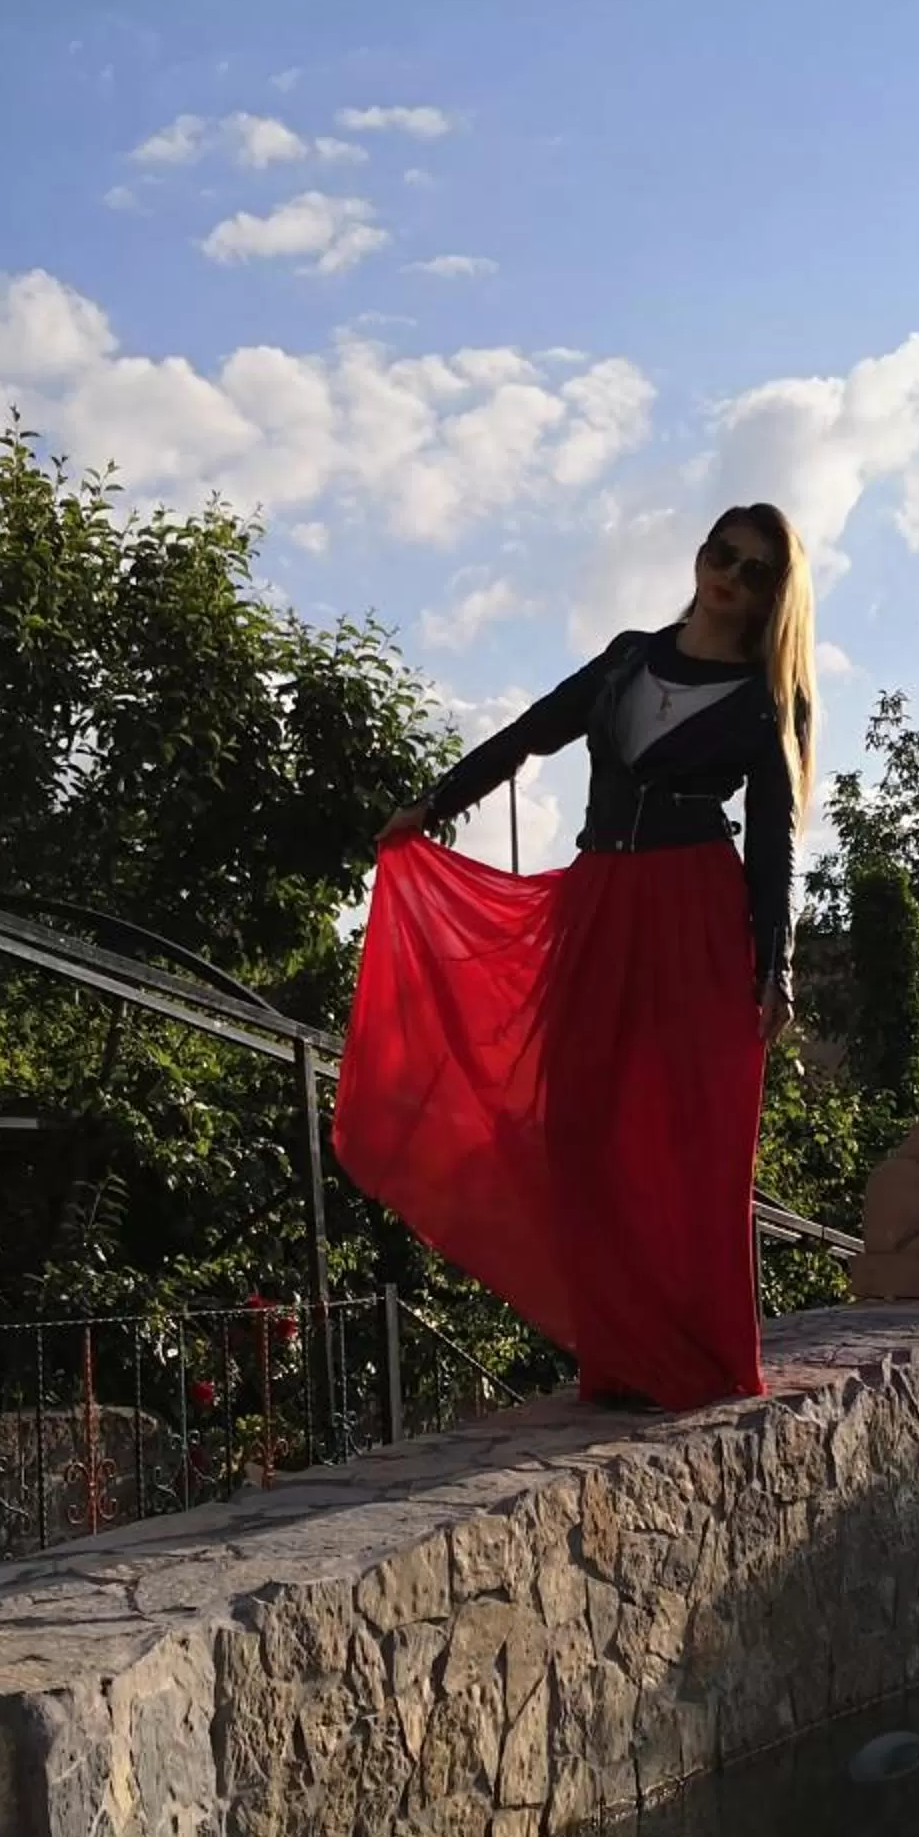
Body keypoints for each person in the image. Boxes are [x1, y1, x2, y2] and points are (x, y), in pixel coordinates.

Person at [337, 503, 817, 1411]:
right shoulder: (630, 655)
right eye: (725, 554)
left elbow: (773, 840)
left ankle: (689, 1353)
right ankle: (622, 1348)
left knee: (681, 1135)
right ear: (701, 553)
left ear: (770, 596)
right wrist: (433, 803)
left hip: (694, 913)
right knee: (578, 1125)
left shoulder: (765, 697)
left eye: (757, 570)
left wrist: (776, 963)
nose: (732, 576)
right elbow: (531, 731)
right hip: (598, 897)